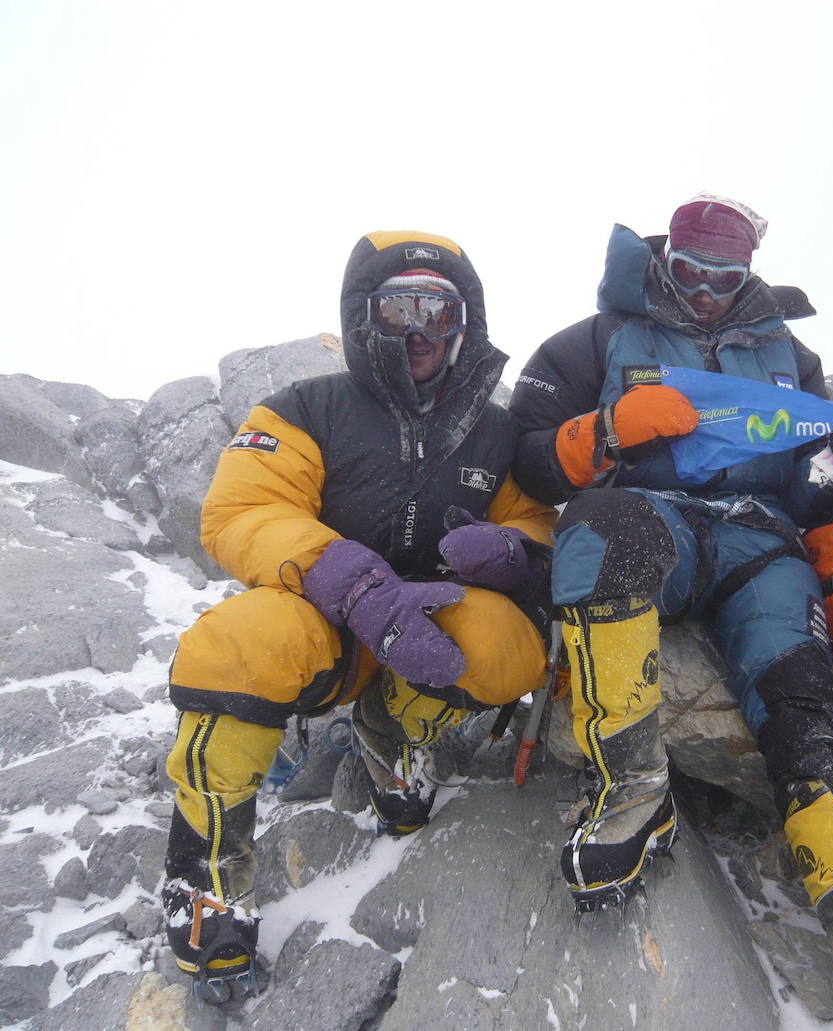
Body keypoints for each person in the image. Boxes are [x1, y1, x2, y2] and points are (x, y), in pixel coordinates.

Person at [509, 196, 833, 1030]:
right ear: (663, 261)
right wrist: (605, 430)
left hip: (762, 545)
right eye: (690, 274)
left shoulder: (791, 353)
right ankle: (633, 789)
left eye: (727, 277)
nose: (708, 294)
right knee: (601, 528)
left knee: (804, 703)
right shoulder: (599, 338)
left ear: (749, 273)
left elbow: (811, 487)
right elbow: (529, 456)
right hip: (656, 521)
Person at [161, 231, 556, 998]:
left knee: (509, 647)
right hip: (324, 620)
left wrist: (510, 550)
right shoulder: (306, 406)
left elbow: (537, 523)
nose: (418, 330)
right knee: (239, 642)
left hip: (427, 622)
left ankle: (392, 730)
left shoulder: (497, 431)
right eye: (397, 306)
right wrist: (344, 574)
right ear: (364, 315)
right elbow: (244, 508)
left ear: (462, 319)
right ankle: (205, 867)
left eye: (436, 310)